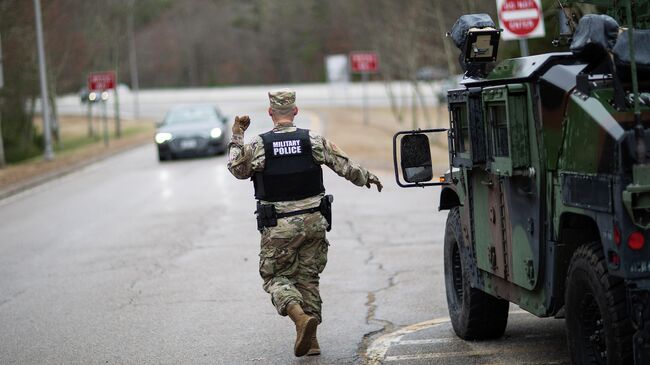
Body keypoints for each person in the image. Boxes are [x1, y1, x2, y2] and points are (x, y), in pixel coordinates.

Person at [227, 88, 383, 357]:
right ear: (296, 111)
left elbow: (237, 169)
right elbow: (344, 165)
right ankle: (312, 342)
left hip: (280, 227)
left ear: (270, 113)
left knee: (275, 277)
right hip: (314, 222)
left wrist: (237, 135)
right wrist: (368, 178)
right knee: (308, 278)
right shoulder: (312, 140)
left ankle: (300, 319)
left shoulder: (260, 145)